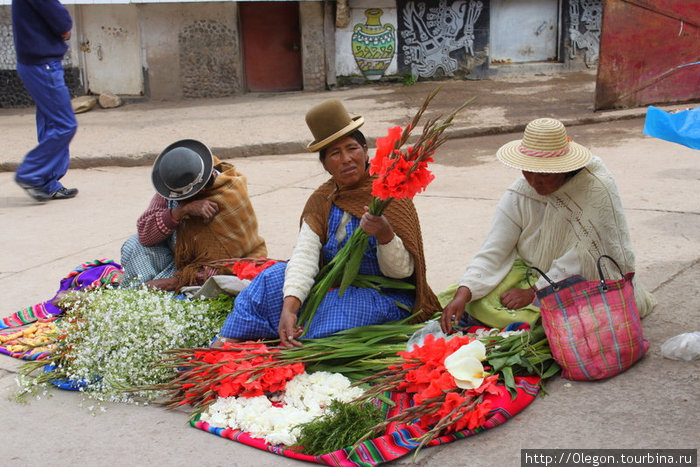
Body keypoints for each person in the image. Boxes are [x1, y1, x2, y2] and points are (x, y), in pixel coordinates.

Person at [215, 99, 440, 347]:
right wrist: (290, 307)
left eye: (352, 148)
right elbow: (305, 256)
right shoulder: (322, 200)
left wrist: (385, 235)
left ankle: (289, 347)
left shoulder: (389, 194)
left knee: (337, 313)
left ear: (366, 151)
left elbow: (404, 272)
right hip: (332, 284)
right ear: (324, 164)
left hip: (382, 294)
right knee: (272, 278)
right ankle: (229, 342)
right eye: (335, 153)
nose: (346, 159)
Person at [440, 118, 656, 333]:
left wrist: (536, 291)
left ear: (564, 168)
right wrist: (463, 293)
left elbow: (584, 257)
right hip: (534, 270)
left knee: (570, 324)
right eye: (527, 171)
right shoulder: (520, 193)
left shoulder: (596, 189)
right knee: (473, 302)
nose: (534, 182)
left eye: (544, 174)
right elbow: (495, 249)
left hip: (584, 278)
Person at [120, 139, 267, 291]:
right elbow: (145, 234)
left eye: (182, 198)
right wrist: (180, 212)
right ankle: (138, 297)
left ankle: (150, 298)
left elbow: (224, 266)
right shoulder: (174, 187)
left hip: (216, 271)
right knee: (134, 245)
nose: (176, 201)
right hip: (178, 261)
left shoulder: (229, 196)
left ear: (201, 190)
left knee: (189, 296)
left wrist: (173, 282)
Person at [12, 0, 79, 202]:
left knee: (51, 123)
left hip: (36, 64)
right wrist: (65, 29)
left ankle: (48, 183)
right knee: (65, 125)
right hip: (43, 65)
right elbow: (62, 22)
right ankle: (30, 174)